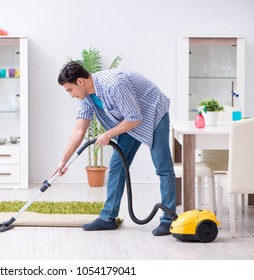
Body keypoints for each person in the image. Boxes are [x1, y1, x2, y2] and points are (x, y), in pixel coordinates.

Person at [55, 61, 176, 236]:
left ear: (80, 81)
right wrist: (63, 160)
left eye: (69, 90)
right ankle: (107, 218)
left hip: (153, 112)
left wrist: (109, 134)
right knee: (117, 167)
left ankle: (168, 219)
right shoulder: (87, 97)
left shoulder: (113, 84)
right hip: (128, 121)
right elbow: (79, 129)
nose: (70, 95)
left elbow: (135, 118)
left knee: (162, 166)